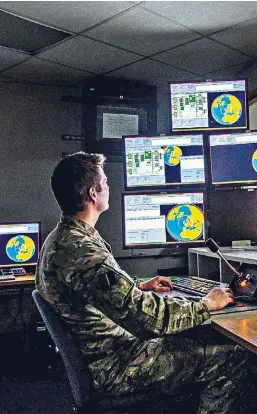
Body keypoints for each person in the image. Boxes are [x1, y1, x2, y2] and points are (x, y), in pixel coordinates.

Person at [36, 152, 246, 414]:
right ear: (92, 194)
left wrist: (139, 285)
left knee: (197, 336)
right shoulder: (81, 250)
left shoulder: (63, 238)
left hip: (102, 353)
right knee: (231, 355)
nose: (109, 187)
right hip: (115, 366)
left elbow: (97, 289)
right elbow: (150, 320)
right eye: (106, 182)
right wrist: (205, 304)